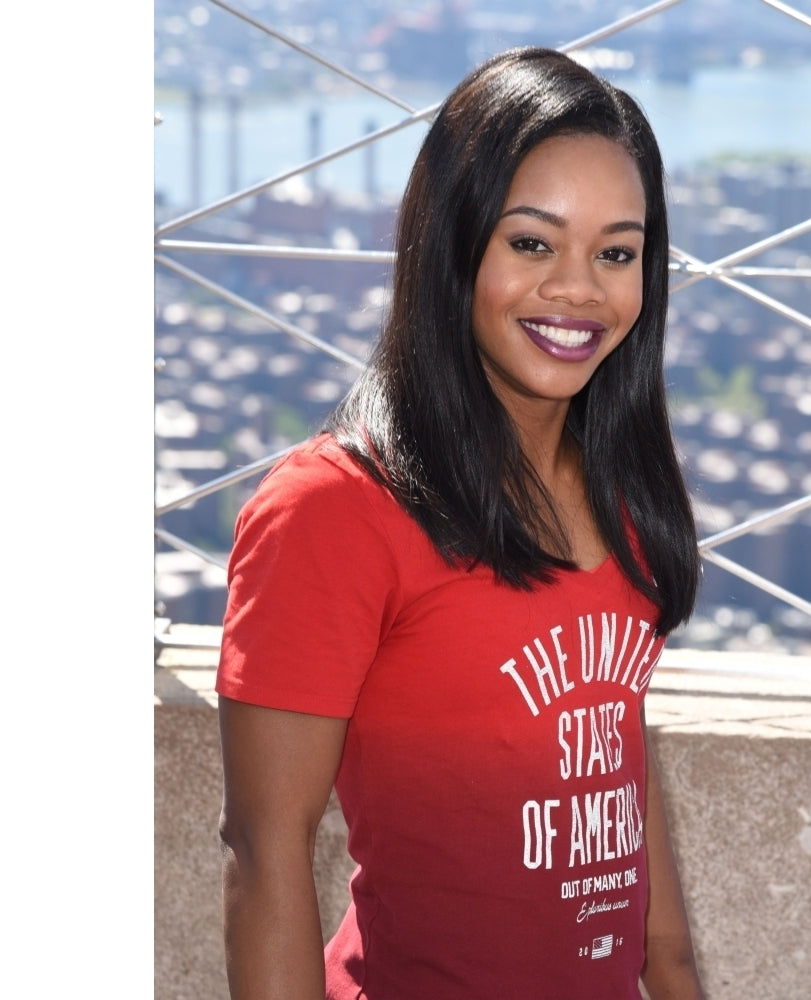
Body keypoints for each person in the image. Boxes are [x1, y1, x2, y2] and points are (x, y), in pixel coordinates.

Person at [216, 46, 705, 1000]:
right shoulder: (334, 512)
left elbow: (619, 775)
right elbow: (263, 852)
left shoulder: (622, 491)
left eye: (617, 252)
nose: (578, 289)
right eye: (532, 242)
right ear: (454, 242)